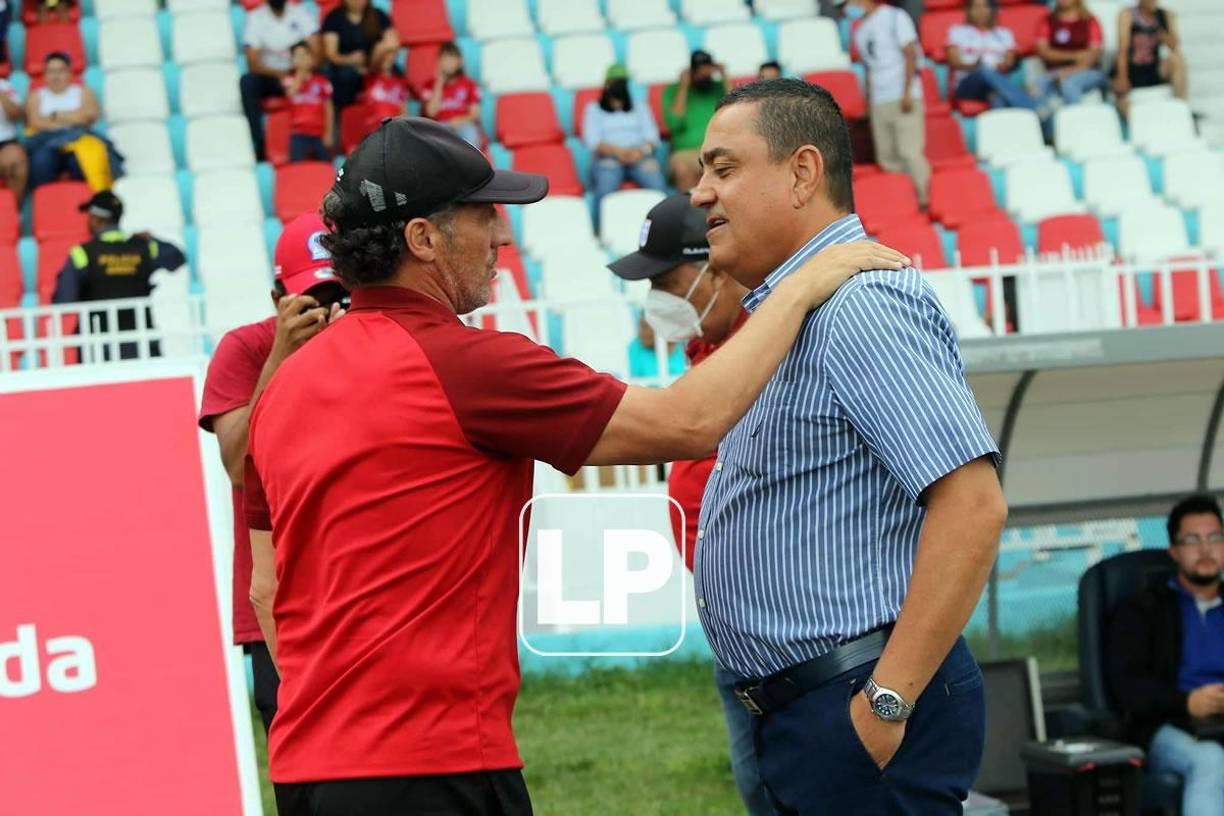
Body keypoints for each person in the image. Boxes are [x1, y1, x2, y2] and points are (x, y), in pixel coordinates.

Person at [243, 116, 907, 816]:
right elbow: (688, 422)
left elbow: (267, 591)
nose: (501, 238)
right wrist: (804, 285)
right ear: (422, 239)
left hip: (306, 764)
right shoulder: (464, 364)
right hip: (430, 762)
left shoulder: (285, 384)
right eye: (483, 217)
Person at [690, 78, 1007, 814]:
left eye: (724, 167)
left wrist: (884, 705)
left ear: (802, 173)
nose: (703, 192)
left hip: (856, 699)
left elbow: (973, 506)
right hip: (816, 704)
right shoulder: (799, 306)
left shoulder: (861, 304)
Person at [609, 193, 771, 816]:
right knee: (762, 786)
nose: (656, 301)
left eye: (666, 280)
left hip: (785, 627)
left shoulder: (765, 352)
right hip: (739, 624)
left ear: (718, 270)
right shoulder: (709, 348)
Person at [199, 213, 348, 737]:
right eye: (314, 295)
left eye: (339, 291)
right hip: (279, 596)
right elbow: (240, 466)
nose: (328, 308)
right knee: (304, 761)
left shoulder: (373, 344)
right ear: (276, 297)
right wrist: (284, 355)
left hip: (361, 585)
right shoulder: (246, 349)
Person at [1107, 495, 1224, 816]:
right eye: (1192, 540)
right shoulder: (1142, 610)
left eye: (1214, 537)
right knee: (1211, 759)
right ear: (1174, 550)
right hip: (1168, 727)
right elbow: (1127, 687)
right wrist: (1186, 702)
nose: (1205, 549)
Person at [51, 191, 186, 360]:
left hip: (98, 349)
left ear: (95, 218)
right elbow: (177, 258)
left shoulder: (82, 254)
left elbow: (64, 301)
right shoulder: (145, 246)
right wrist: (152, 239)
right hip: (142, 343)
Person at [842, 0, 932, 206]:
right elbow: (869, 69)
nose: (847, 8)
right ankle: (905, 201)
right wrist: (868, 102)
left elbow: (911, 53)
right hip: (879, 100)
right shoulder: (860, 30)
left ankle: (924, 200)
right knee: (887, 157)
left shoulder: (894, 16)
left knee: (910, 152)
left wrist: (908, 92)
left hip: (902, 95)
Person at [582, 64, 666, 232]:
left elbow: (652, 138)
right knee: (606, 186)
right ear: (606, 83)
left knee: (657, 184)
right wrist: (618, 152)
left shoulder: (640, 107)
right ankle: (600, 232)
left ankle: (664, 230)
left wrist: (639, 151)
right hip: (609, 158)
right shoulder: (593, 109)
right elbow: (593, 141)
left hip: (639, 155)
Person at [25, 52, 121, 192]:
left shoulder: (83, 92)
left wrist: (54, 115)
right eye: (51, 71)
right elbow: (36, 123)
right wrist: (73, 118)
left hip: (79, 142)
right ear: (44, 74)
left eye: (60, 71)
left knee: (81, 162)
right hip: (46, 143)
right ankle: (44, 203)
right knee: (41, 162)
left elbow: (89, 116)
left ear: (70, 73)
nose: (55, 76)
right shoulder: (35, 96)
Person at [240, 0, 319, 162]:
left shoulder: (300, 12)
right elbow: (252, 62)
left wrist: (301, 71)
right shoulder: (256, 17)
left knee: (331, 77)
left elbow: (317, 52)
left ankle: (321, 139)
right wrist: (279, 74)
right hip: (272, 75)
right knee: (247, 82)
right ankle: (259, 143)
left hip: (300, 72)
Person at [947, 0, 1037, 111]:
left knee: (997, 98)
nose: (981, 11)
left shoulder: (1004, 34)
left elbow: (1009, 60)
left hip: (994, 83)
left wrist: (1003, 66)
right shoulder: (958, 32)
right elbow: (953, 61)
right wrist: (974, 66)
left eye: (985, 6)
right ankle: (1033, 107)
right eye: (976, 7)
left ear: (992, 10)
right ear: (969, 11)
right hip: (967, 85)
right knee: (983, 70)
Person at [662, 50, 728, 192]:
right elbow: (674, 123)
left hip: (716, 150)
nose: (704, 75)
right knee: (682, 168)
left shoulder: (718, 88)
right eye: (700, 71)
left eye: (708, 70)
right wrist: (684, 86)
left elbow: (737, 111)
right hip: (686, 153)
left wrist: (724, 77)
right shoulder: (672, 91)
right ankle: (690, 212)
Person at [321, 0, 399, 114]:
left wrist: (378, 57)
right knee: (345, 75)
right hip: (345, 67)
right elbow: (331, 54)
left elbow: (393, 42)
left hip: (375, 65)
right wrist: (349, 59)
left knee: (396, 72)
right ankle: (341, 116)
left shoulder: (378, 15)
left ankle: (398, 120)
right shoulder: (334, 18)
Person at [1114, 0, 1187, 118]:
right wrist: (1122, 76)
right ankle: (1134, 121)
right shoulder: (1127, 14)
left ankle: (1182, 108)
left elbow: (1174, 46)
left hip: (1154, 67)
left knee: (1177, 59)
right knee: (1118, 89)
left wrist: (1159, 26)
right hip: (1133, 68)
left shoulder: (1165, 15)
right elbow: (1122, 50)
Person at [1034, 0, 1108, 109]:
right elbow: (1044, 52)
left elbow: (1092, 56)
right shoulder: (1048, 21)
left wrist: (1070, 71)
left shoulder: (1089, 21)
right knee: (1037, 86)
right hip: (1056, 72)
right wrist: (1075, 56)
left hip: (1088, 71)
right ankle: (1045, 124)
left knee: (1070, 85)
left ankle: (1075, 122)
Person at [420, 42, 482, 149]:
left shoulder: (469, 84)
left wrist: (460, 120)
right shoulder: (429, 85)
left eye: (451, 58)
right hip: (438, 127)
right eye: (445, 58)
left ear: (459, 62)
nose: (448, 62)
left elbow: (474, 114)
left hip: (461, 125)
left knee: (470, 133)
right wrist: (439, 82)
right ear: (439, 61)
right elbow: (431, 112)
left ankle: (469, 164)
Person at [283, 41, 334, 162]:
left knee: (325, 166)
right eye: (297, 56)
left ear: (312, 59)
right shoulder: (289, 80)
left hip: (319, 133)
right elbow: (290, 93)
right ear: (292, 61)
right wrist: (300, 74)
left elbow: (329, 109)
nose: (301, 59)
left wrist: (329, 133)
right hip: (298, 133)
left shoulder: (322, 82)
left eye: (305, 55)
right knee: (297, 166)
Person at [363, 48, 410, 133]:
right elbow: (373, 63)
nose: (388, 60)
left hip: (393, 128)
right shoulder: (371, 78)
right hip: (372, 128)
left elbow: (403, 108)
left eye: (391, 58)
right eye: (386, 58)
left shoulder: (401, 82)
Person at [0, 75, 27, 201]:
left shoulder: (4, 85)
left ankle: (13, 213)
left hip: (5, 142)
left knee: (15, 159)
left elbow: (16, 114)